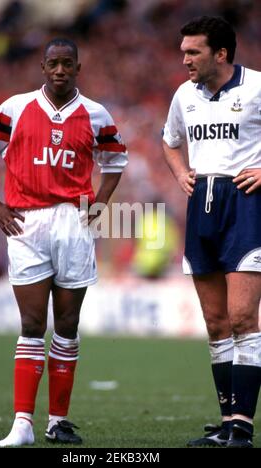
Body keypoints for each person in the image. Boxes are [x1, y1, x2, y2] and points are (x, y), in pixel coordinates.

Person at [0, 38, 128, 447]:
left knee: (68, 324)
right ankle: (23, 423)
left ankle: (58, 421)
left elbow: (115, 161)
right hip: (27, 222)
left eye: (67, 64)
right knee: (32, 323)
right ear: (42, 67)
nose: (60, 70)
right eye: (53, 63)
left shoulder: (96, 114)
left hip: (74, 222)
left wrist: (101, 205)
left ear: (78, 68)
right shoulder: (14, 108)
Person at [163, 16, 261, 448]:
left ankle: (242, 425)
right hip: (201, 205)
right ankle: (226, 423)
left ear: (220, 53)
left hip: (245, 207)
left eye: (193, 52)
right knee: (217, 323)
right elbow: (169, 140)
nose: (184, 59)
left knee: (243, 318)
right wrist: (181, 171)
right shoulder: (185, 95)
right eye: (183, 51)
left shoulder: (256, 87)